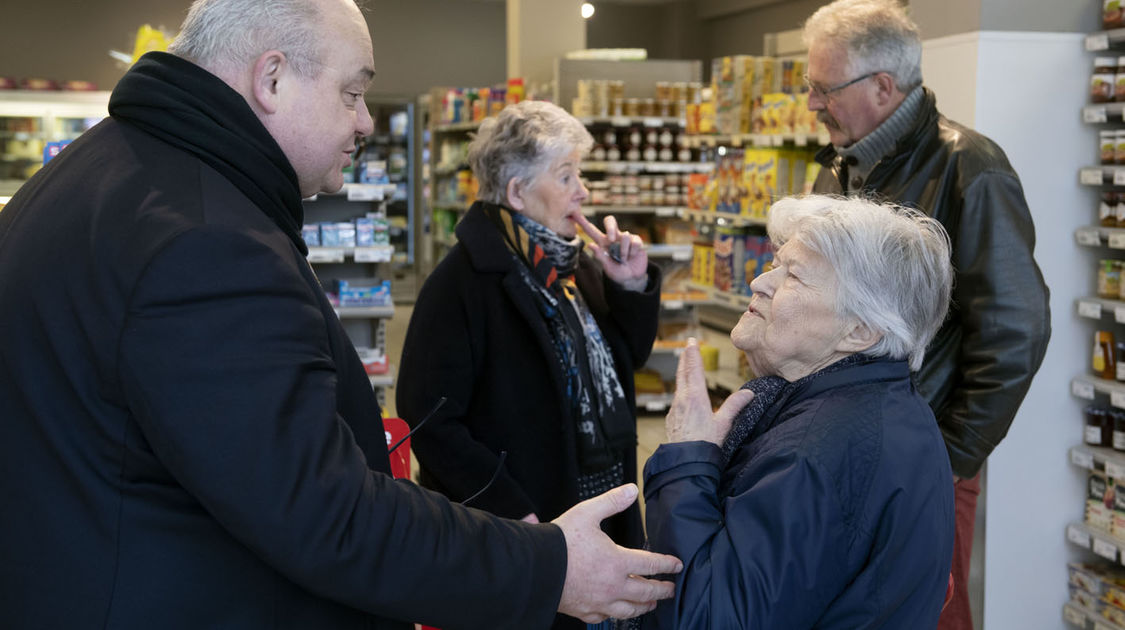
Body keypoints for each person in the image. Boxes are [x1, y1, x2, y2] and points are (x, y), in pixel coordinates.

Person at [0, 0, 684, 628]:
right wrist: (546, 565)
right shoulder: (205, 241)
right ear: (271, 80)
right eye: (351, 93)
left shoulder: (107, 173)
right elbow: (320, 512)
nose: (364, 120)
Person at [802, 1, 1051, 626]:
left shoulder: (972, 168)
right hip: (842, 445)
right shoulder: (839, 171)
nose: (811, 103)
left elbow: (1016, 331)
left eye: (822, 87)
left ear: (883, 87)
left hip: (923, 459)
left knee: (928, 613)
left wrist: (949, 457)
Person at [397, 101, 661, 628]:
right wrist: (516, 515)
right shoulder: (461, 285)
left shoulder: (573, 265)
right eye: (566, 176)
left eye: (579, 173)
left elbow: (626, 360)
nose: (582, 191)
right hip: (529, 535)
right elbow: (430, 421)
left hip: (604, 511)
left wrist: (628, 285)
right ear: (517, 193)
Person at [640, 195, 956, 629]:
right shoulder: (891, 404)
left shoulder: (811, 454)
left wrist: (686, 461)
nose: (760, 282)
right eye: (776, 263)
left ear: (860, 331)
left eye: (795, 276)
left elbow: (708, 618)